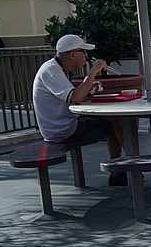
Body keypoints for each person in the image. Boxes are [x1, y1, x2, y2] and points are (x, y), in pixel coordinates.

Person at [32, 34, 126, 186]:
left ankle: (120, 170)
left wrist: (89, 89)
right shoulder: (51, 70)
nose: (86, 57)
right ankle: (129, 164)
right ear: (73, 54)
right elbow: (76, 98)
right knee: (116, 122)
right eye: (84, 52)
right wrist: (92, 73)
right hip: (61, 130)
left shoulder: (56, 68)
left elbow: (75, 96)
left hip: (63, 124)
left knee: (111, 122)